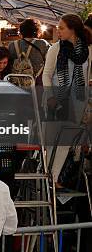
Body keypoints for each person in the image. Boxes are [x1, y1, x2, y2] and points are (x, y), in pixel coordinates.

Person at [42, 14, 92, 179]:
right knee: (52, 141)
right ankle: (47, 176)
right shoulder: (55, 48)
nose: (58, 30)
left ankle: (54, 178)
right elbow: (46, 75)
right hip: (56, 99)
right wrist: (50, 96)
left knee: (66, 141)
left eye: (62, 28)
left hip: (77, 101)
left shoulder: (86, 51)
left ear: (73, 30)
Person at [8, 18, 50, 85]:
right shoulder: (43, 44)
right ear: (37, 31)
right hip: (36, 84)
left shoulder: (12, 45)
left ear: (21, 31)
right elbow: (50, 64)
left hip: (16, 84)